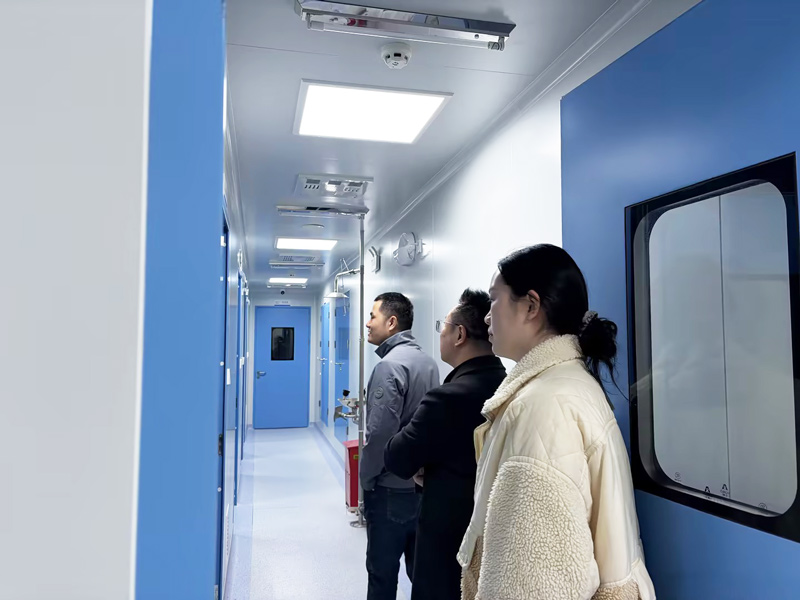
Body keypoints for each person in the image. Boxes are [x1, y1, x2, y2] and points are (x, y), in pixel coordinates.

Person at [458, 244, 655, 600]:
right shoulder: (568, 383)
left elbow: (533, 585)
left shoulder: (539, 408)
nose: (487, 317)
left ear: (530, 306)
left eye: (494, 299)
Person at [384, 289, 506, 600]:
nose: (440, 333)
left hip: (448, 540)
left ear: (459, 334)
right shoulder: (506, 385)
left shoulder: (447, 398)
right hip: (495, 538)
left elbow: (397, 458)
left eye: (444, 326)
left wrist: (425, 463)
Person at [362, 292, 440, 600]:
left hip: (389, 490)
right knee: (420, 574)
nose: (368, 324)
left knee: (382, 575)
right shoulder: (428, 363)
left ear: (392, 322)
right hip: (421, 488)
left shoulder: (389, 367)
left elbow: (379, 435)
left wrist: (367, 479)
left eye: (373, 316)